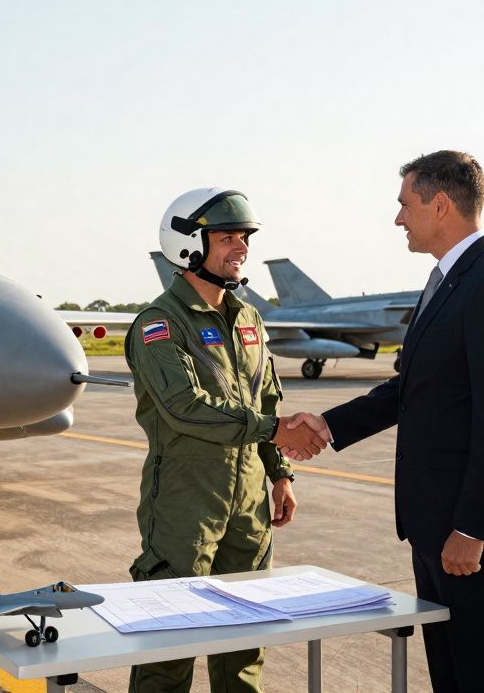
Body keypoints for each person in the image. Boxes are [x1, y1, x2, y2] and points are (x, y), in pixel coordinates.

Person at [288, 152, 484, 692]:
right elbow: (412, 388)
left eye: (405, 205)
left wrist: (473, 529)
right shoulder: (445, 280)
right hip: (436, 525)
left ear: (441, 204)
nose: (398, 219)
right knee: (452, 678)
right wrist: (330, 426)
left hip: (475, 533)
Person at [125, 188, 330, 693]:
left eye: (243, 237)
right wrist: (274, 432)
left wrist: (280, 475)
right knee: (168, 643)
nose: (240, 247)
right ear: (188, 245)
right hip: (184, 503)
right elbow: (186, 408)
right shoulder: (160, 324)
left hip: (250, 505)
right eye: (226, 237)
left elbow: (265, 403)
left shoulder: (250, 320)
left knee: (244, 644)